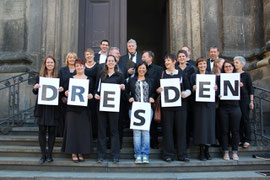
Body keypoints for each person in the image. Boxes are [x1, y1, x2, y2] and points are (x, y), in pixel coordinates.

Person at [157, 54, 192, 162]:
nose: (166, 62)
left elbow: (189, 88)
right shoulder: (162, 74)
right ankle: (168, 154)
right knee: (167, 130)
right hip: (167, 107)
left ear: (174, 61)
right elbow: (155, 89)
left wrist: (186, 93)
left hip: (180, 107)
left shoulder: (181, 74)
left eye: (168, 60)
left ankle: (182, 154)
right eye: (165, 61)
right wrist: (158, 90)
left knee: (181, 130)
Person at [62, 58, 94, 162]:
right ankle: (73, 152)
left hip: (84, 109)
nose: (79, 67)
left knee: (82, 131)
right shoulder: (70, 78)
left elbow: (92, 92)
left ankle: (80, 152)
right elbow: (65, 93)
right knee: (72, 131)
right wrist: (66, 93)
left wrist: (91, 95)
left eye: (81, 65)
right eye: (77, 66)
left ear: (84, 66)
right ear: (75, 68)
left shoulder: (89, 79)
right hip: (72, 109)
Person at [95, 55, 125, 163]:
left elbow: (124, 93)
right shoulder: (101, 75)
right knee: (102, 130)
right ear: (106, 63)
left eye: (113, 61)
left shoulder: (120, 76)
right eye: (109, 61)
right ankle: (101, 155)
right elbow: (96, 90)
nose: (111, 62)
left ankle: (115, 155)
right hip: (102, 106)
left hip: (114, 107)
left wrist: (123, 88)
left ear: (115, 63)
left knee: (114, 131)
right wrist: (96, 95)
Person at [33, 56, 63, 164]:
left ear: (54, 64)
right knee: (41, 131)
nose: (50, 64)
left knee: (51, 132)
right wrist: (35, 87)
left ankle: (49, 154)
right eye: (48, 62)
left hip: (53, 108)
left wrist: (61, 89)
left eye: (52, 62)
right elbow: (35, 92)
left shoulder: (58, 77)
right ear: (45, 64)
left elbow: (62, 92)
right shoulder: (40, 77)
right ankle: (43, 154)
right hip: (42, 108)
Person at [126, 62, 155, 164]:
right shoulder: (131, 80)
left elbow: (154, 92)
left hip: (147, 108)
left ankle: (145, 154)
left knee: (146, 132)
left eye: (144, 68)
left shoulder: (150, 80)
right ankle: (138, 154)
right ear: (137, 69)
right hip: (135, 108)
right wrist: (129, 97)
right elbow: (125, 92)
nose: (142, 70)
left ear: (146, 69)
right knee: (137, 132)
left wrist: (153, 97)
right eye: (140, 68)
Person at [190, 58, 217, 161]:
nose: (202, 66)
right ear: (197, 66)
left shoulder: (211, 76)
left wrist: (215, 88)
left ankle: (207, 150)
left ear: (207, 65)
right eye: (200, 64)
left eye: (204, 64)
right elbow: (190, 91)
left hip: (209, 105)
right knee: (200, 127)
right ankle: (201, 151)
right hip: (198, 106)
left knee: (209, 127)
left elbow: (216, 91)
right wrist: (193, 89)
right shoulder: (193, 76)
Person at [218, 60, 242, 161]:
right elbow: (215, 93)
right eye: (226, 67)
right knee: (224, 130)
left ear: (233, 68)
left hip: (235, 107)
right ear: (223, 69)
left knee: (235, 130)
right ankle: (226, 151)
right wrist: (217, 93)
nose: (228, 68)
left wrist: (241, 87)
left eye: (230, 66)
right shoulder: (219, 79)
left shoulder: (238, 78)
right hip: (223, 108)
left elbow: (245, 94)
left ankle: (235, 151)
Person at [142, 50, 163, 149]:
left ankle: (154, 142)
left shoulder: (159, 69)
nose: (142, 58)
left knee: (153, 122)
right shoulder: (140, 68)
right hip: (141, 99)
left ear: (150, 58)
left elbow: (160, 84)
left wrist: (154, 96)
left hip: (153, 98)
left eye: (144, 56)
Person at [233, 56, 254, 148]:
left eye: (237, 62)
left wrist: (251, 101)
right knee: (238, 120)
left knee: (245, 119)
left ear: (242, 64)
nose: (235, 64)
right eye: (234, 62)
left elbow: (250, 89)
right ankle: (240, 139)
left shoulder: (246, 75)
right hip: (235, 99)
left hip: (244, 99)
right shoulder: (232, 74)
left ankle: (247, 139)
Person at [57, 52, 77, 137]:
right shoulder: (62, 70)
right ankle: (64, 135)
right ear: (67, 59)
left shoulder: (78, 70)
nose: (72, 59)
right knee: (64, 117)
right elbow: (59, 83)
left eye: (73, 58)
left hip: (76, 99)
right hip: (64, 99)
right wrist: (62, 96)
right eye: (70, 57)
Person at [84, 48, 99, 139]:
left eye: (91, 54)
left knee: (94, 115)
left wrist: (95, 93)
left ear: (94, 56)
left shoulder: (98, 66)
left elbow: (99, 80)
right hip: (83, 94)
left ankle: (94, 134)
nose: (89, 56)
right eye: (87, 54)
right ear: (85, 56)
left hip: (94, 94)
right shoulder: (82, 66)